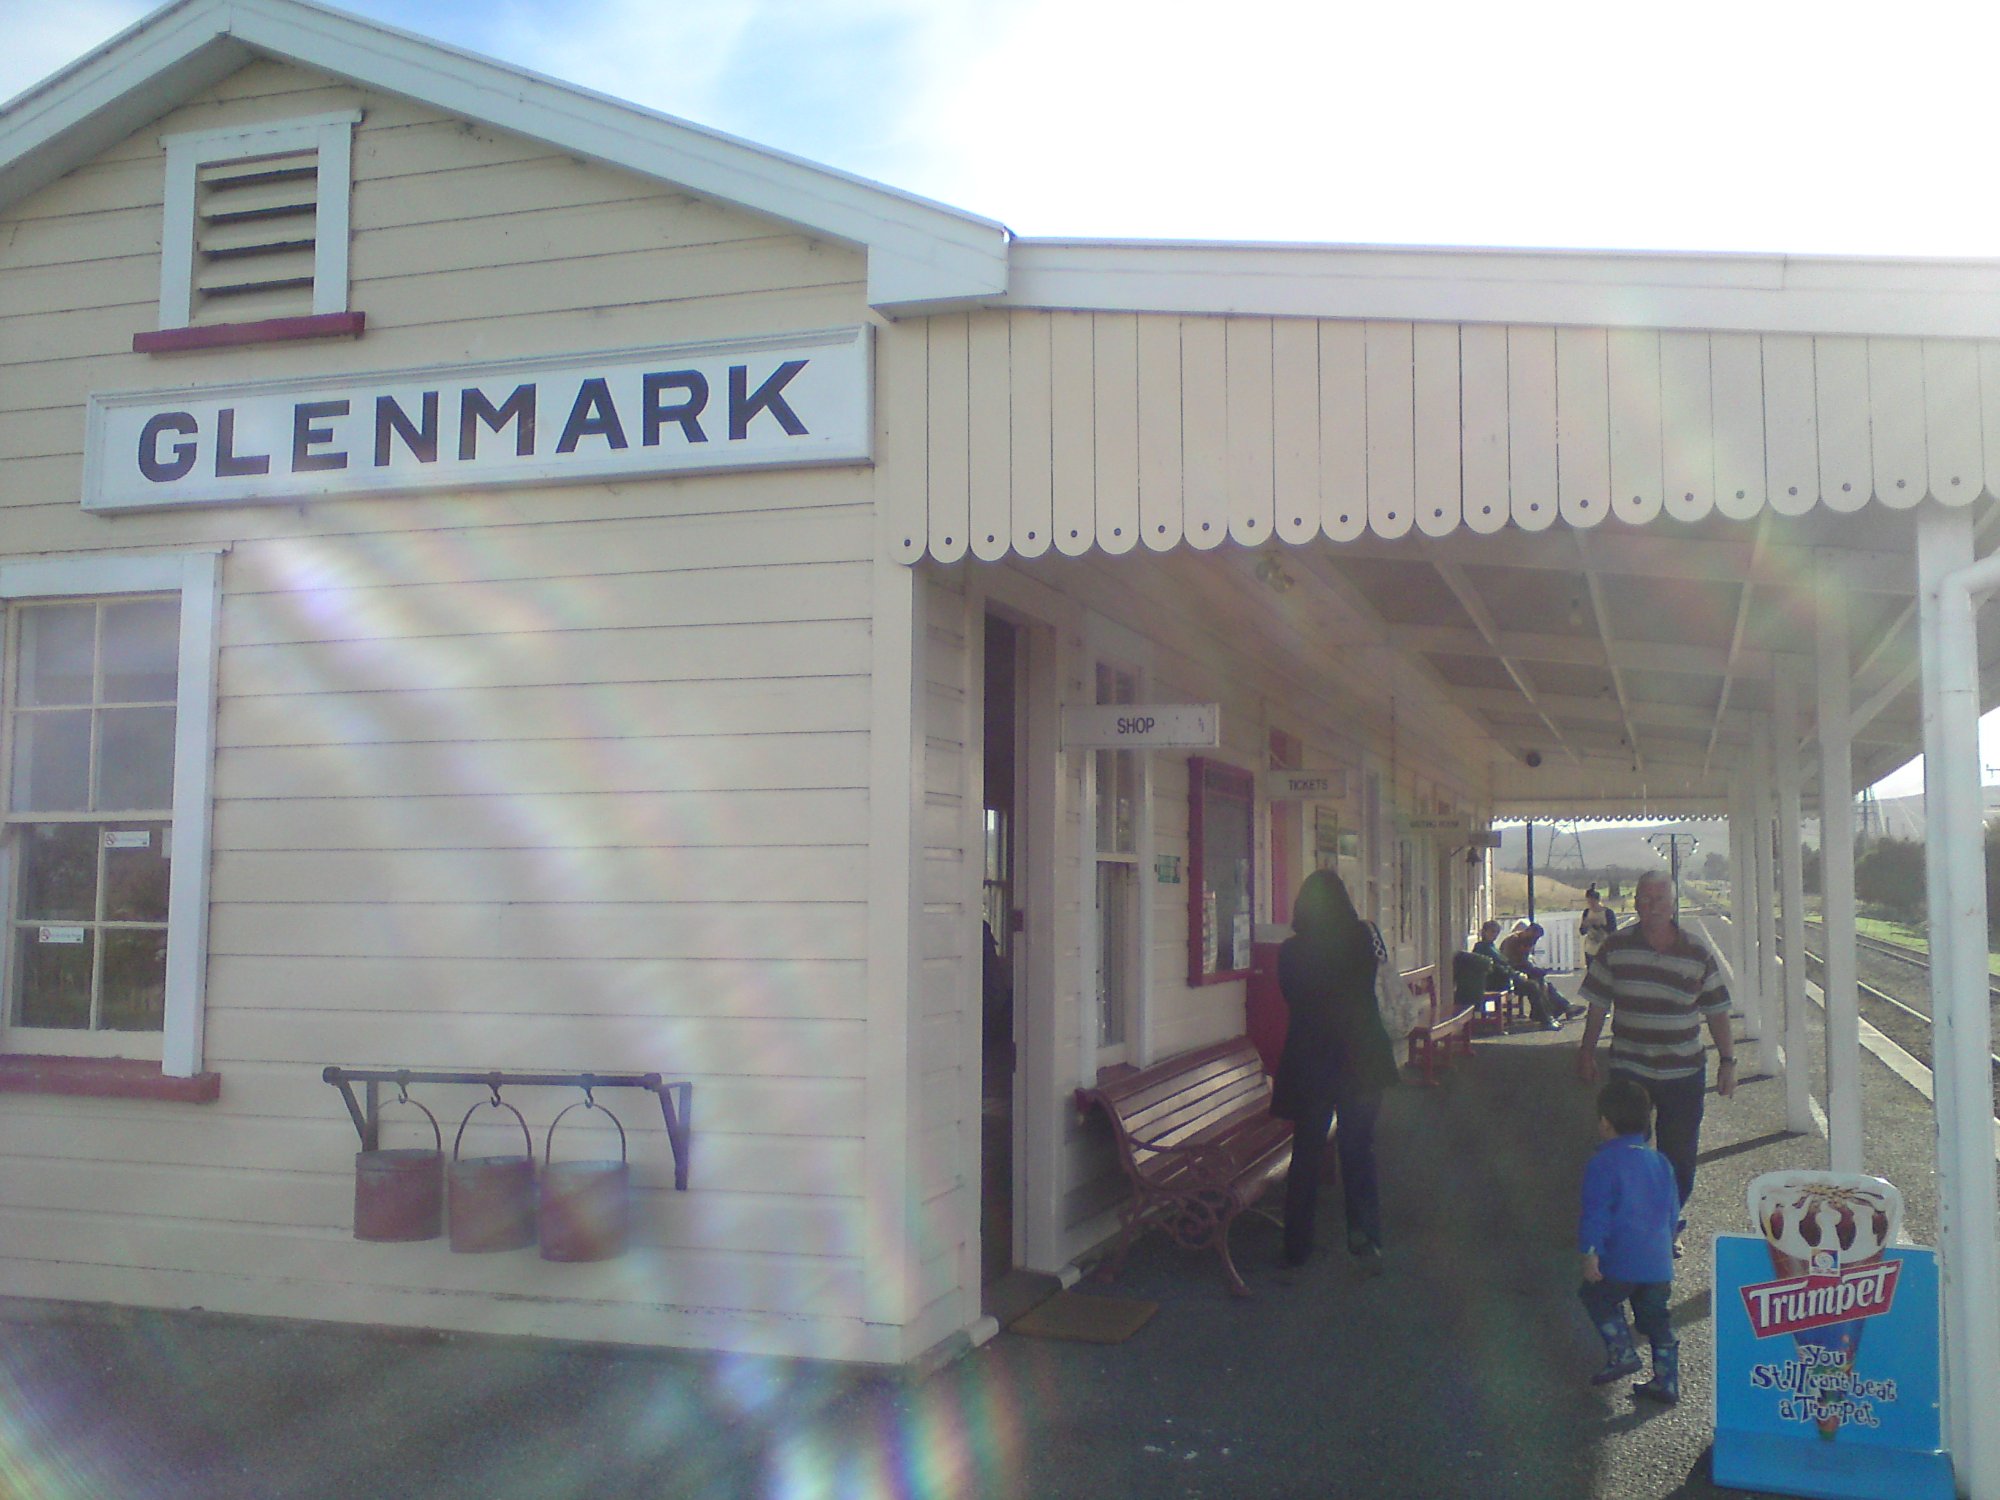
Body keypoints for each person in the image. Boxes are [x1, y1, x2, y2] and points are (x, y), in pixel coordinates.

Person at [1574, 870, 1737, 1255]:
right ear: (1635, 903)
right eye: (1644, 900)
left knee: (1678, 1157)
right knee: (1627, 1153)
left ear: (1672, 904)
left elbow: (1716, 1010)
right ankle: (1631, 1225)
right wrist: (1585, 1052)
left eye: (1659, 900)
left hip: (1684, 1072)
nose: (1651, 907)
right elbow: (1597, 1004)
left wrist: (1728, 1061)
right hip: (1631, 1071)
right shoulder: (1614, 948)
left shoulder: (1697, 952)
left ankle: (1666, 1225)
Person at [1272, 869, 1400, 1273]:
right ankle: (1364, 1240)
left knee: (1306, 1154)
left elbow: (1291, 998)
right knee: (1358, 1149)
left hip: (1309, 1060)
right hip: (1360, 1056)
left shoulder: (1289, 953)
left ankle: (1296, 1246)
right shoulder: (1363, 938)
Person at [1578, 1077, 1681, 1403]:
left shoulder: (1603, 1163)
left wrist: (1591, 1252)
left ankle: (1622, 1352)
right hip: (1657, 1263)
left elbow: (1597, 1213)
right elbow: (1672, 1211)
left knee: (1597, 1297)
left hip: (1621, 1258)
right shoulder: (1661, 1162)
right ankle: (1666, 1380)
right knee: (1656, 1319)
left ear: (1605, 1124)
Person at [1477, 920, 1574, 1028]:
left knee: (1540, 981)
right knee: (1532, 986)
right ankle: (1547, 1017)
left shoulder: (1492, 946)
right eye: (1492, 932)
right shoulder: (1483, 947)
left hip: (1506, 976)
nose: (1494, 935)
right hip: (1496, 981)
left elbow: (1506, 964)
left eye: (1496, 932)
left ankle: (1547, 1014)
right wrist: (1516, 974)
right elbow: (1502, 965)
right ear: (1484, 932)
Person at [1578, 886, 1616, 960]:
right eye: (1589, 902)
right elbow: (1582, 932)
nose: (1591, 905)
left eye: (1593, 902)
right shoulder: (1587, 912)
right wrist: (1585, 925)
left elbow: (1613, 931)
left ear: (1598, 901)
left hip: (1604, 948)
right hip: (1590, 949)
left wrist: (1599, 925)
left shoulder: (1608, 913)